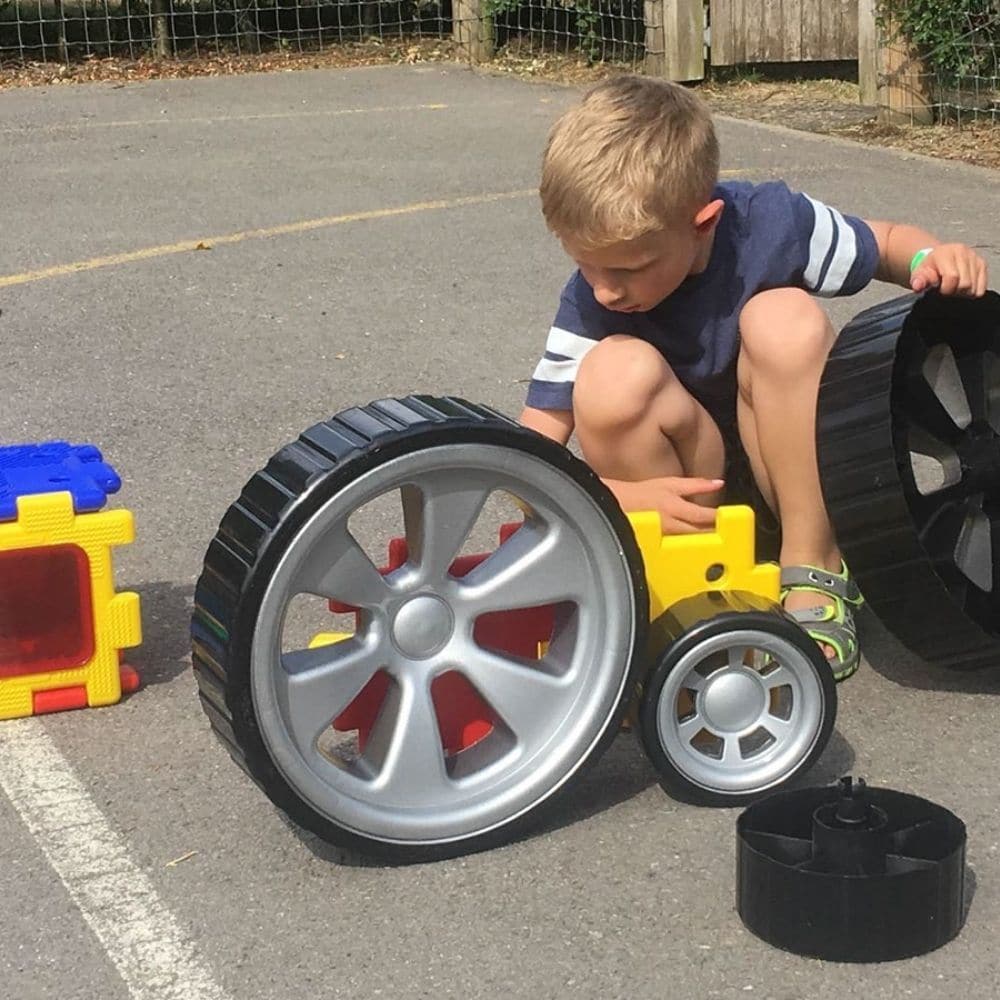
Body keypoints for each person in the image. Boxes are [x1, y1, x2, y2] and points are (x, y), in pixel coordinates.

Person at [519, 74, 989, 681]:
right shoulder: (591, 302)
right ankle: (670, 587)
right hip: (690, 504)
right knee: (612, 373)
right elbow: (526, 456)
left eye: (629, 268)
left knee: (782, 316)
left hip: (790, 477)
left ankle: (814, 569)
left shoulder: (771, 224)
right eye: (585, 263)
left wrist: (931, 258)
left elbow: (887, 243)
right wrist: (615, 496)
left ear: (704, 222)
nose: (606, 288)